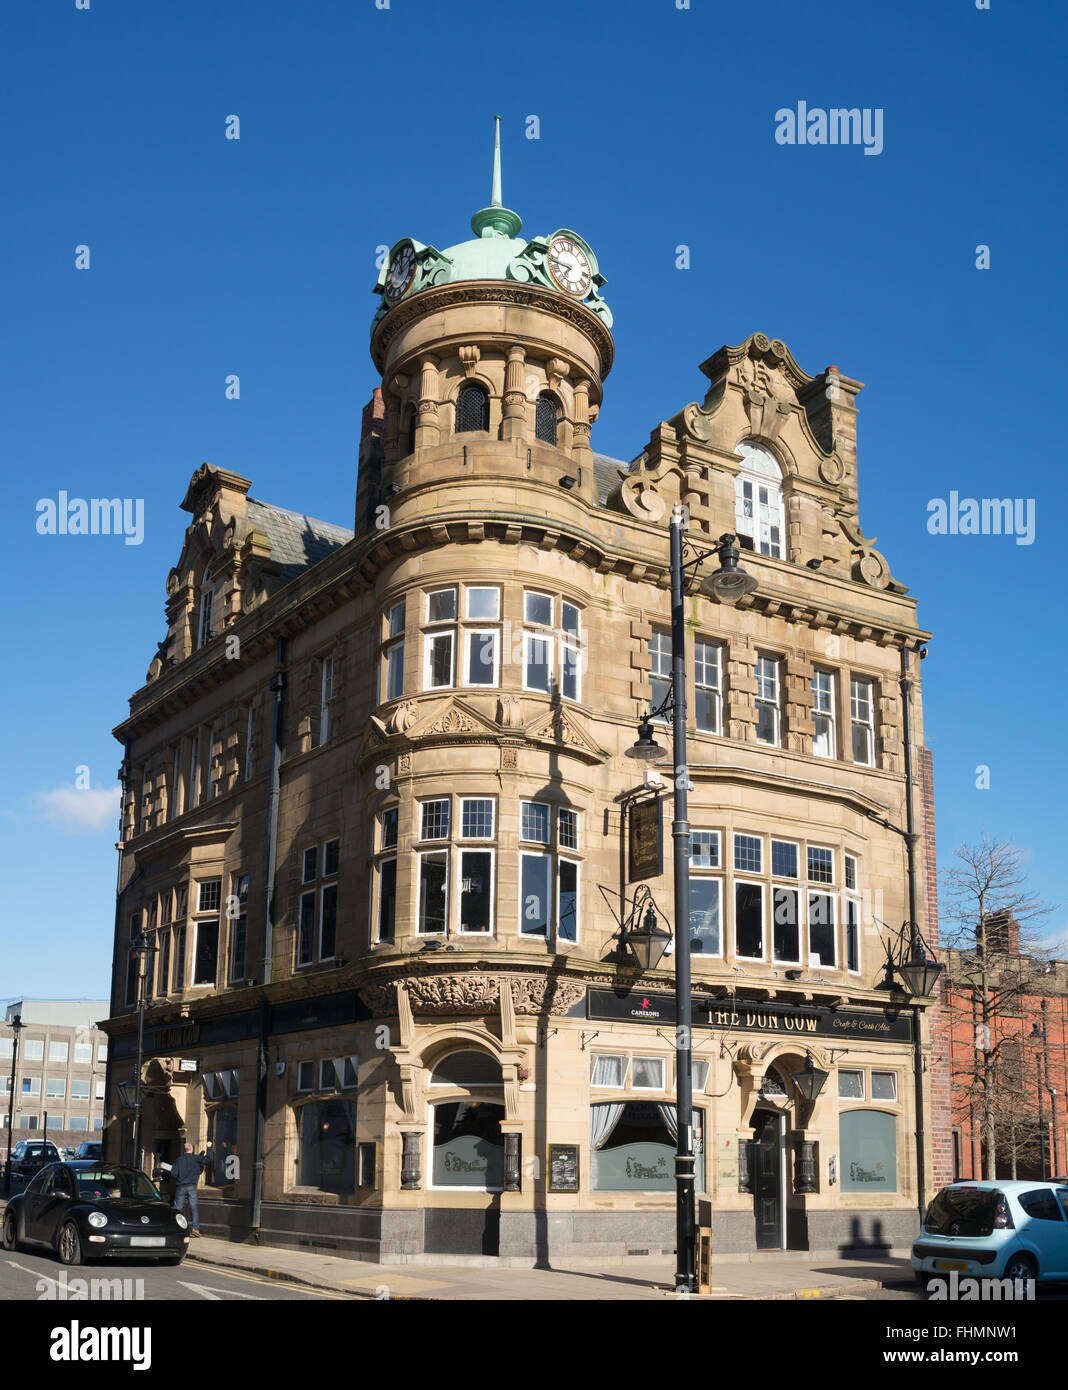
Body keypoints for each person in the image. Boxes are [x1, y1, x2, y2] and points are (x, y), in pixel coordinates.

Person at [171, 1140, 208, 1236]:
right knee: (193, 1207)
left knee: (178, 1208)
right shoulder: (196, 1158)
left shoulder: (179, 1160)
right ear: (192, 1149)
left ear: (185, 1150)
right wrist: (209, 1147)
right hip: (192, 1186)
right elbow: (208, 1159)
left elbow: (173, 1174)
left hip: (181, 1186)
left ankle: (175, 1228)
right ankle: (195, 1229)